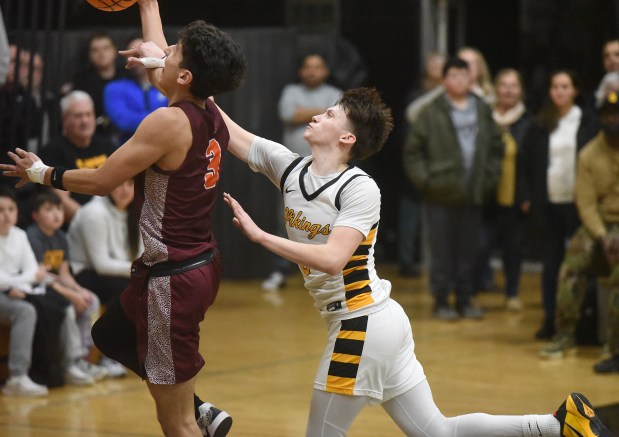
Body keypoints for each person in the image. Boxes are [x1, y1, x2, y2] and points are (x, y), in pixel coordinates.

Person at [218, 82, 611, 436]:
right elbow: (224, 126)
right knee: (439, 433)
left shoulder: (360, 188)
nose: (318, 114)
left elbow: (333, 259)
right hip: (378, 322)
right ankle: (558, 425)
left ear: (346, 137)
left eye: (331, 113)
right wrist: (174, 63)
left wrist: (261, 237)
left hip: (361, 325)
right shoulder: (289, 167)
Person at [0, 0, 246, 434]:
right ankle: (201, 407)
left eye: (173, 53)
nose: (161, 53)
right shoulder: (207, 108)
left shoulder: (166, 122)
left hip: (173, 279)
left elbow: (100, 182)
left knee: (177, 425)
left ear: (185, 75)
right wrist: (147, 3)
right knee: (110, 336)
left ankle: (193, 413)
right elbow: (159, 61)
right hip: (197, 263)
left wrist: (41, 172)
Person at [404, 57, 504, 320]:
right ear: (444, 80)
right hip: (440, 193)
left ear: (471, 79)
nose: (460, 80)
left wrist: (489, 179)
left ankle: (465, 297)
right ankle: (441, 300)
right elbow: (413, 152)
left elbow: (496, 147)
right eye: (454, 75)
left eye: (464, 75)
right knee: (442, 252)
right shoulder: (431, 111)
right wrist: (426, 182)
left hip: (473, 193)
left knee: (469, 250)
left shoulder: (482, 109)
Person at [538, 90, 619, 374]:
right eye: (609, 115)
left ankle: (615, 348)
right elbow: (585, 203)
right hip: (598, 227)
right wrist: (602, 237)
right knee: (571, 265)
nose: (614, 120)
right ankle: (564, 334)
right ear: (601, 118)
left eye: (617, 114)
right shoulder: (588, 154)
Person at [521, 70, 599, 340]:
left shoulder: (589, 122)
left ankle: (581, 321)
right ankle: (550, 319)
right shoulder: (541, 123)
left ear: (575, 90)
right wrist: (527, 196)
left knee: (581, 264)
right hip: (549, 203)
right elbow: (527, 163)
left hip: (578, 204)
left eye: (565, 86)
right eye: (555, 86)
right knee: (551, 264)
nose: (559, 91)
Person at [262, 53, 343, 291]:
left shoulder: (335, 92)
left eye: (317, 67)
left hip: (328, 171)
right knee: (285, 219)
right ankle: (280, 270)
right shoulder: (291, 91)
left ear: (326, 71)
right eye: (307, 66)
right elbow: (288, 114)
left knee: (329, 218)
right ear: (301, 71)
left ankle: (329, 272)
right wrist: (325, 112)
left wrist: (305, 112)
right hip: (293, 170)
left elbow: (339, 121)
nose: (312, 71)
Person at [26, 190, 107, 382]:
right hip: (38, 287)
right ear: (35, 215)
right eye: (49, 209)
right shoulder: (32, 236)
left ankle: (84, 358)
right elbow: (41, 276)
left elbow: (64, 274)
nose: (56, 214)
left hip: (56, 286)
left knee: (91, 300)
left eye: (59, 209)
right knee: (68, 307)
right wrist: (72, 296)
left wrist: (79, 291)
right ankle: (70, 362)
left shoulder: (62, 237)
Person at [473, 68, 534, 311]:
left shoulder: (529, 122)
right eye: (504, 85)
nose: (508, 90)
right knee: (479, 248)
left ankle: (512, 294)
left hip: (516, 198)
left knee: (513, 249)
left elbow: (532, 162)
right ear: (495, 89)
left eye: (514, 85)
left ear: (521, 91)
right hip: (486, 197)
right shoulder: (484, 118)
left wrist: (528, 194)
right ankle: (472, 293)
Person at [399, 52, 446, 278]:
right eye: (433, 66)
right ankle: (406, 261)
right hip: (418, 164)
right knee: (410, 215)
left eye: (441, 65)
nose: (436, 69)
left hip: (444, 165)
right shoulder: (417, 96)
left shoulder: (454, 97)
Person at [39, 90, 117, 225]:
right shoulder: (53, 151)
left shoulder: (108, 147)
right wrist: (91, 223)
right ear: (64, 119)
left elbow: (123, 186)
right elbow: (61, 200)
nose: (85, 121)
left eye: (88, 114)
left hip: (112, 220)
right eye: (78, 116)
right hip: (80, 225)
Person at [0, 186, 48, 396]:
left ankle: (62, 365)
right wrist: (11, 285)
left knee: (46, 303)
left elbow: (34, 271)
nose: (6, 215)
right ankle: (17, 377)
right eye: (1, 210)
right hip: (6, 291)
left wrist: (13, 285)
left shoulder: (19, 235)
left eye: (11, 209)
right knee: (25, 311)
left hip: (12, 291)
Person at [63, 31, 128, 141]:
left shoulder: (127, 76)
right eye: (95, 50)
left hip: (126, 135)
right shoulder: (81, 81)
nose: (101, 53)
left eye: (106, 48)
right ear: (89, 55)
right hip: (93, 137)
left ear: (114, 51)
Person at [103, 36, 168, 146]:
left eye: (141, 52)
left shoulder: (168, 85)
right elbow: (124, 121)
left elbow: (179, 115)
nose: (137, 58)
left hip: (167, 146)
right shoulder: (114, 88)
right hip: (129, 149)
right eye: (132, 53)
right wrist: (163, 119)